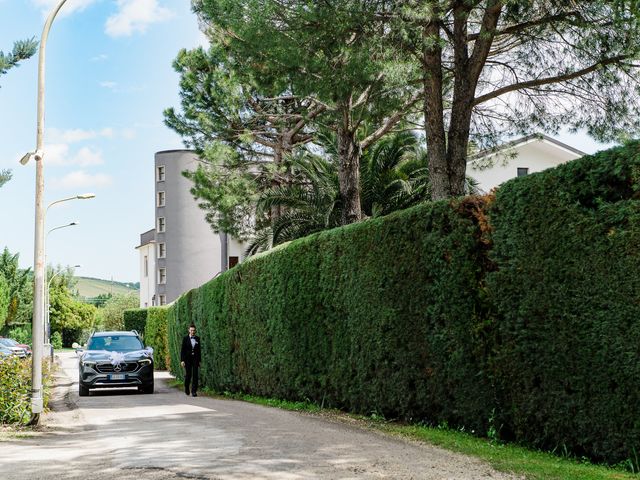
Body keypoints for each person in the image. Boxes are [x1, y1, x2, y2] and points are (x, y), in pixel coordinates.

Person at [180, 324, 201, 397]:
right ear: (189, 330)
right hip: (187, 359)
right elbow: (182, 350)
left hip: (195, 359)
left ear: (195, 331)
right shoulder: (185, 338)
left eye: (194, 330)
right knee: (188, 375)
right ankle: (186, 387)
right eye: (191, 330)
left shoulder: (197, 338)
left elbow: (199, 350)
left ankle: (194, 391)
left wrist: (199, 361)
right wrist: (182, 360)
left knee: (195, 375)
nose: (192, 332)